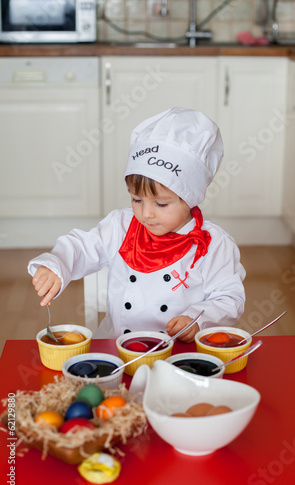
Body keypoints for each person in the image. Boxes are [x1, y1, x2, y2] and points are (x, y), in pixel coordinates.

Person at [28, 107, 245, 343]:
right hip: (116, 349)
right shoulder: (120, 225)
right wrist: (55, 265)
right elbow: (81, 246)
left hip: (177, 352)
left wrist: (197, 318)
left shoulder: (213, 244)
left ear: (191, 197)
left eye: (161, 204)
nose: (146, 213)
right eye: (136, 199)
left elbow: (229, 298)